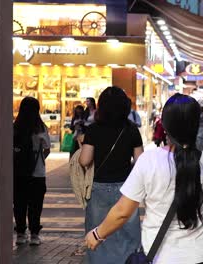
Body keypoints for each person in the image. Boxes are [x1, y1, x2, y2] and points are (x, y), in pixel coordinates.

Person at [84, 93, 203, 264]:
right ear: (196, 125)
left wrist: (98, 234)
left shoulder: (149, 161)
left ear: (165, 126)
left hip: (161, 258)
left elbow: (123, 212)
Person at [79, 86, 144, 263]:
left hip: (98, 189)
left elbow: (84, 161)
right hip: (127, 190)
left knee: (98, 236)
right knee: (127, 237)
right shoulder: (131, 130)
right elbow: (140, 163)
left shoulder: (93, 130)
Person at [13, 97, 51, 246]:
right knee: (35, 204)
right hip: (37, 173)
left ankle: (21, 234)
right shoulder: (41, 128)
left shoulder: (15, 127)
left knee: (19, 203)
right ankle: (34, 234)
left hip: (18, 173)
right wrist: (38, 158)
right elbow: (47, 148)